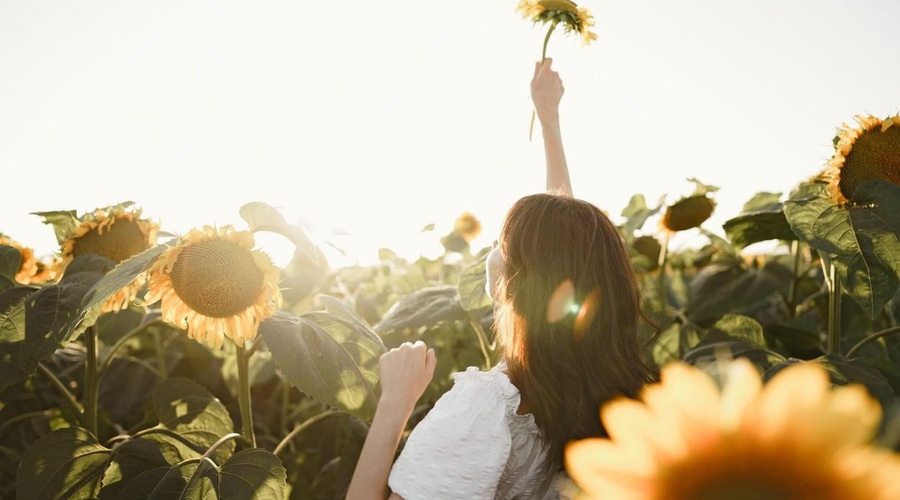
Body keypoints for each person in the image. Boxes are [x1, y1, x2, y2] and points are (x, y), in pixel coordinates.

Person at [346, 59, 658, 499]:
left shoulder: (485, 408)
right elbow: (567, 247)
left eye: (500, 245)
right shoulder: (594, 390)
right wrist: (549, 120)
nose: (490, 254)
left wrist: (395, 404)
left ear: (516, 284)